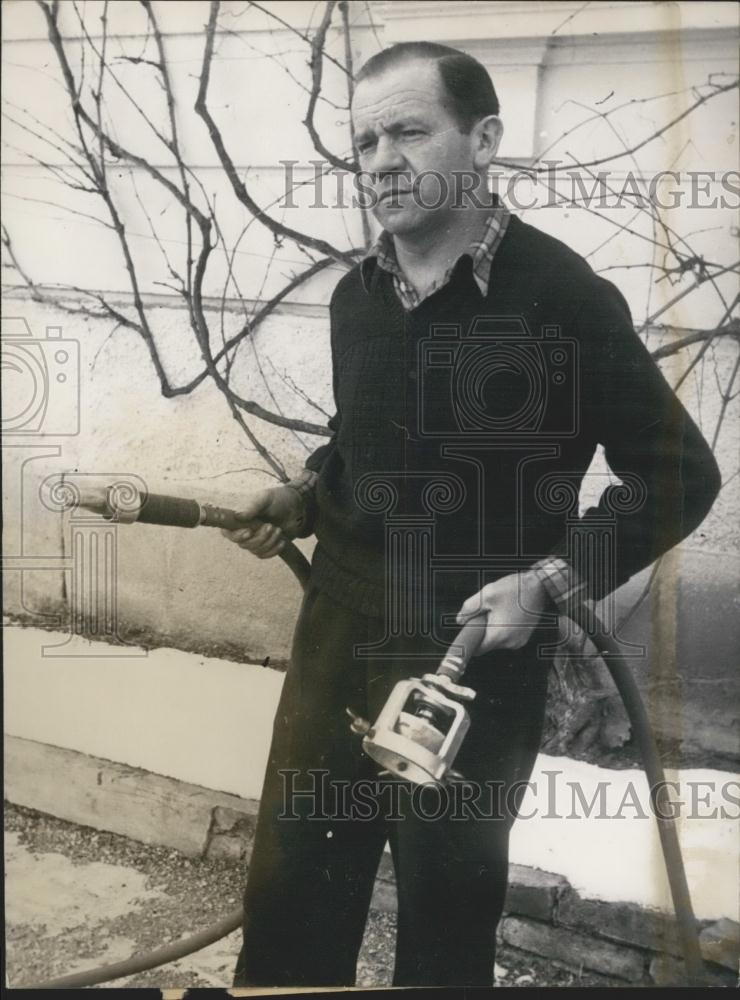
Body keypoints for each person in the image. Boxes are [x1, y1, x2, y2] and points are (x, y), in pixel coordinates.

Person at [223, 43, 721, 987]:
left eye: (408, 131)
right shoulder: (354, 298)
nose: (380, 161)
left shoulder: (564, 298)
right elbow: (365, 446)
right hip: (338, 637)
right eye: (364, 140)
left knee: (446, 919)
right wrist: (304, 495)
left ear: (484, 138)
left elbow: (679, 475)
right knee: (291, 899)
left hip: (476, 655)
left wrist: (550, 582)